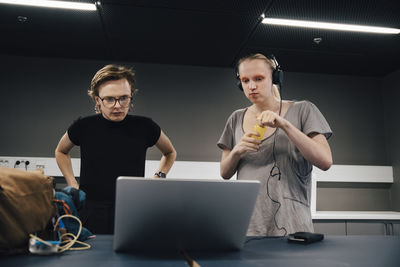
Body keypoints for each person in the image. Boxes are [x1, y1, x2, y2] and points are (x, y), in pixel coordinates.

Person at [217, 53, 332, 236]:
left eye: (259, 78)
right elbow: (225, 173)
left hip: (294, 227)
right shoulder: (235, 119)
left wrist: (285, 125)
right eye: (245, 81)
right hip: (250, 228)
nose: (252, 86)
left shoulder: (303, 110)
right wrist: (237, 150)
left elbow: (325, 161)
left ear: (275, 78)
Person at [55, 64, 176, 234]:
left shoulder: (145, 126)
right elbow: (61, 151)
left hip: (132, 208)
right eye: (110, 99)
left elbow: (170, 152)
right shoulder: (84, 126)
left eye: (124, 98)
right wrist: (73, 183)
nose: (118, 105)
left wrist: (159, 175)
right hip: (91, 210)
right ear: (98, 100)